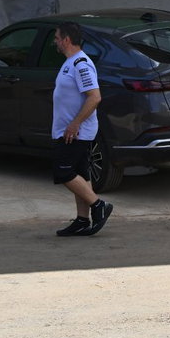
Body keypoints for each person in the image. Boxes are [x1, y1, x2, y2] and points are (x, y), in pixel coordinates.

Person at [51, 22, 113, 237]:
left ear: (66, 39)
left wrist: (75, 123)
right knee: (80, 173)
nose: (55, 41)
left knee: (63, 170)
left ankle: (99, 205)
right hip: (68, 131)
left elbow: (94, 97)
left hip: (76, 132)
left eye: (57, 37)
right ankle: (81, 219)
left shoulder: (81, 64)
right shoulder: (70, 63)